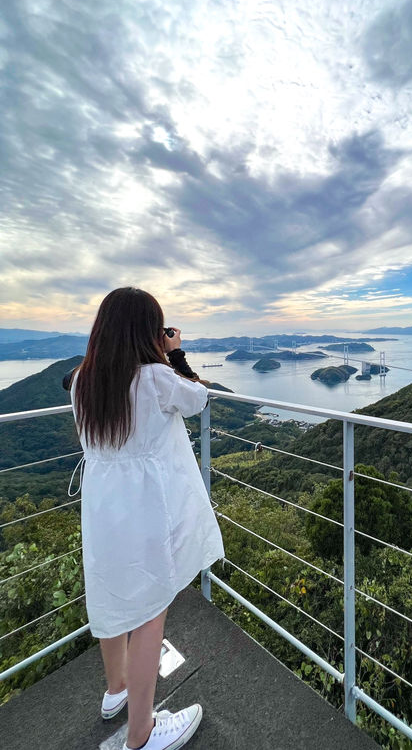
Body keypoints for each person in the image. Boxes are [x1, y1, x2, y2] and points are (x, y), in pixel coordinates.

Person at [65, 287, 224, 750]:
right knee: (151, 613)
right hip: (147, 510)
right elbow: (200, 398)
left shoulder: (83, 380)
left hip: (101, 507)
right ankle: (142, 735)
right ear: (147, 332)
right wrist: (176, 355)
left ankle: (115, 691)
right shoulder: (156, 377)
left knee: (112, 598)